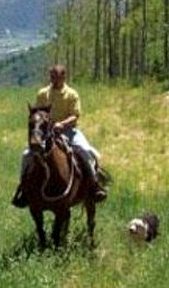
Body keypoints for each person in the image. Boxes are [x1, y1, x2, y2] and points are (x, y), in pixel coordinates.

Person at [11, 64, 107, 208]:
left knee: (85, 150)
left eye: (57, 77)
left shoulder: (72, 94)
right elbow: (37, 112)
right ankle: (23, 189)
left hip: (68, 130)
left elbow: (75, 116)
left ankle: (94, 186)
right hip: (46, 132)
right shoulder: (43, 93)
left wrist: (61, 124)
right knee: (27, 155)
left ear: (64, 77)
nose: (54, 80)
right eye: (52, 77)